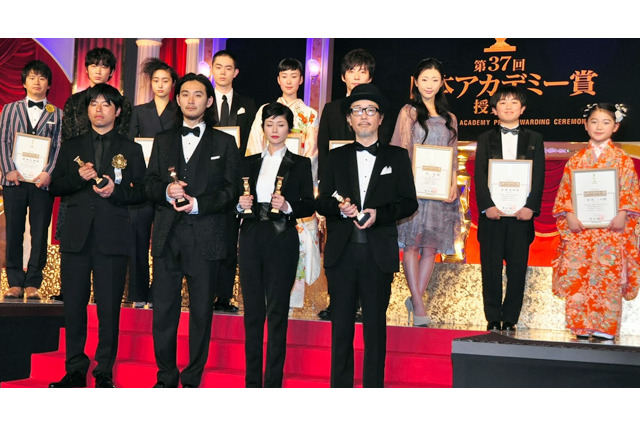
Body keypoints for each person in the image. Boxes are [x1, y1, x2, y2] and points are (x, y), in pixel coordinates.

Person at [316, 83, 417, 387]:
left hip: (378, 254)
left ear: (380, 118)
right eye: (357, 111)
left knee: (375, 328)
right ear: (349, 119)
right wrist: (339, 209)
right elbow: (321, 201)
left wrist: (378, 214)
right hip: (342, 254)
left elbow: (408, 203)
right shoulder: (335, 157)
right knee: (341, 328)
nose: (363, 116)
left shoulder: (397, 157)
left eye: (370, 110)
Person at [48, 83, 146, 388]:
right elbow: (55, 186)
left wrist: (116, 192)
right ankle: (75, 369)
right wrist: (78, 178)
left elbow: (143, 193)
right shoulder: (72, 145)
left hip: (112, 238)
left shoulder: (131, 149)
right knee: (74, 307)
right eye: (93, 104)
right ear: (87, 109)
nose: (98, 109)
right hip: (76, 238)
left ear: (117, 111)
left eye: (105, 104)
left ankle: (104, 371)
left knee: (108, 308)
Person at [146, 73, 240, 388]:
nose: (191, 100)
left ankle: (192, 379)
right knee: (163, 311)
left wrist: (199, 204)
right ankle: (166, 376)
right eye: (185, 94)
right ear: (177, 99)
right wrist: (165, 191)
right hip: (167, 237)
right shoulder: (163, 140)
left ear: (209, 101)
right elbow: (149, 184)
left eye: (198, 94)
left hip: (206, 236)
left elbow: (231, 191)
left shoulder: (225, 142)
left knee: (201, 312)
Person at [237, 102, 314, 387]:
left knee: (278, 311)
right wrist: (239, 204)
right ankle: (252, 382)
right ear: (262, 128)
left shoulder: (300, 163)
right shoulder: (248, 162)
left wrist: (289, 206)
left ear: (289, 128)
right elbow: (235, 199)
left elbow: (309, 204)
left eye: (280, 124)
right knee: (252, 312)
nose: (275, 129)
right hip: (251, 236)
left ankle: (273, 382)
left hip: (282, 237)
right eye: (269, 124)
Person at [552, 102, 640, 340]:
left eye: (606, 122)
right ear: (585, 125)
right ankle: (580, 325)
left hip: (610, 231)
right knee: (578, 275)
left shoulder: (622, 160)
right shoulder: (576, 160)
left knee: (607, 276)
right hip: (581, 231)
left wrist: (623, 213)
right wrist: (569, 214)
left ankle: (604, 326)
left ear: (615, 127)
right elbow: (565, 193)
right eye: (594, 122)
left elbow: (630, 192)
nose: (599, 127)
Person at [52, 46, 132, 301]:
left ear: (111, 71)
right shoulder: (74, 101)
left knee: (108, 288)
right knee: (73, 240)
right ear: (86, 69)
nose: (98, 70)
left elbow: (123, 142)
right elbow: (66, 138)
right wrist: (78, 169)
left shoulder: (122, 104)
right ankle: (67, 290)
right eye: (94, 65)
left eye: (104, 66)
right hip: (77, 177)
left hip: (109, 181)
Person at [246, 58, 321, 313]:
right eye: (284, 76)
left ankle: (290, 307)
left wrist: (297, 191)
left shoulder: (310, 114)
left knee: (291, 255)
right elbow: (254, 148)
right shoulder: (264, 110)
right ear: (278, 79)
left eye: (294, 76)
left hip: (292, 194)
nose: (289, 81)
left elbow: (311, 155)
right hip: (263, 197)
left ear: (301, 79)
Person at [316, 48, 385, 321]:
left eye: (362, 71)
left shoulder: (376, 110)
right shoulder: (331, 109)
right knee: (335, 247)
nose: (357, 76)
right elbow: (323, 148)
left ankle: (361, 303)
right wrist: (326, 188)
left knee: (365, 248)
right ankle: (336, 301)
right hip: (338, 191)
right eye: (351, 71)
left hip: (368, 189)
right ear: (343, 76)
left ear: (370, 76)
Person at [390, 58, 461, 327]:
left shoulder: (450, 119)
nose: (429, 85)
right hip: (414, 189)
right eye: (424, 80)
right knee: (411, 244)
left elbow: (452, 156)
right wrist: (402, 185)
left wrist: (452, 183)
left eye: (435, 80)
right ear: (416, 82)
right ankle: (419, 304)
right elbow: (399, 150)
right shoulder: (408, 112)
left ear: (442, 83)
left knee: (430, 247)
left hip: (439, 192)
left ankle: (416, 298)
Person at [474, 86, 545, 331]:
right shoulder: (485, 138)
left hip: (521, 216)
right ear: (494, 110)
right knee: (490, 269)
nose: (508, 106)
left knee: (517, 270)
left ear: (522, 109)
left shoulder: (535, 138)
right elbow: (479, 174)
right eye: (502, 102)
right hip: (493, 216)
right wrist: (487, 206)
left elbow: (539, 175)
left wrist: (531, 207)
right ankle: (493, 317)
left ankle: (511, 318)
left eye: (514, 102)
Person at [0, 60, 62, 300]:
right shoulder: (9, 109)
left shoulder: (57, 114)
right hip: (14, 180)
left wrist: (48, 172)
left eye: (42, 78)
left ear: (49, 84)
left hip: (41, 182)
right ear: (24, 82)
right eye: (32, 77)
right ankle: (14, 282)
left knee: (40, 232)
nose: (37, 82)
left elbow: (58, 147)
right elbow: (3, 141)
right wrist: (8, 169)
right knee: (13, 231)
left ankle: (34, 282)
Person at [128, 58, 180, 309]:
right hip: (141, 183)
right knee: (138, 240)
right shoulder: (139, 111)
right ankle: (138, 293)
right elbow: (129, 147)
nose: (160, 85)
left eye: (165, 81)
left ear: (173, 84)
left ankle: (160, 293)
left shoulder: (178, 112)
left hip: (167, 184)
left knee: (163, 242)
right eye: (156, 80)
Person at [210, 49, 257, 313]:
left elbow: (251, 144)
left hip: (234, 178)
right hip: (205, 178)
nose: (223, 72)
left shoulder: (247, 104)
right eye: (219, 67)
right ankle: (203, 291)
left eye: (228, 68)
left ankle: (224, 296)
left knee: (229, 237)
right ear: (212, 70)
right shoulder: (203, 100)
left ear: (235, 73)